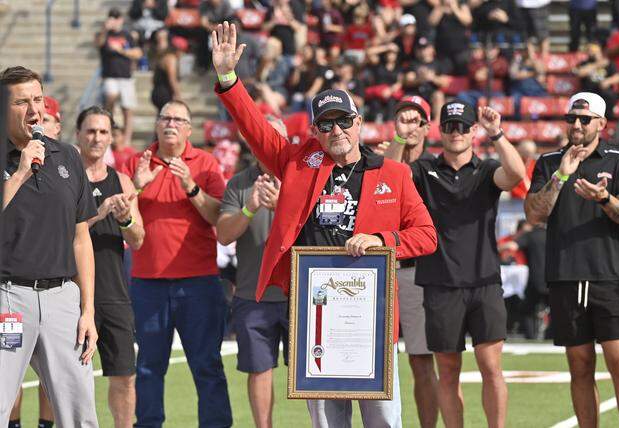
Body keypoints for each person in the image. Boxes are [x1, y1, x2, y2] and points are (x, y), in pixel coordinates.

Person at [212, 21, 438, 428]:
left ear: (359, 121)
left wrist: (380, 240)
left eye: (343, 121)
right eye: (326, 124)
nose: (337, 131)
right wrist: (229, 78)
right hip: (313, 310)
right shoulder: (298, 163)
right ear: (314, 131)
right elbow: (254, 127)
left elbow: (426, 236)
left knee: (383, 418)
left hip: (370, 312)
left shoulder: (394, 173)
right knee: (327, 421)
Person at [385, 99, 526, 428]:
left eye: (463, 126)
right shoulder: (423, 169)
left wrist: (498, 134)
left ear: (473, 131)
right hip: (439, 283)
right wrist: (401, 138)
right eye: (449, 126)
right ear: (440, 131)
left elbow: (517, 174)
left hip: (485, 281)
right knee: (447, 371)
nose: (456, 132)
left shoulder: (487, 169)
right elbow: (389, 181)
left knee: (491, 367)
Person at [525, 92, 619, 427]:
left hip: (608, 276)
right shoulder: (548, 162)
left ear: (601, 124)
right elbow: (533, 214)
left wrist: (605, 198)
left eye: (584, 119)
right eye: (571, 118)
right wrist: (561, 176)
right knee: (580, 366)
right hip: (565, 277)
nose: (576, 124)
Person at [0, 66, 99, 427]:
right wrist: (21, 171)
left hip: (62, 300)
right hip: (7, 300)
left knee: (80, 411)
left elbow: (81, 237)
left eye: (38, 99)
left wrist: (87, 310)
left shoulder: (68, 156)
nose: (34, 110)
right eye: (21, 101)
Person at [123, 100, 231, 427]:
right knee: (149, 367)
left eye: (178, 119)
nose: (171, 123)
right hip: (149, 282)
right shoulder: (136, 163)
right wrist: (139, 184)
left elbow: (218, 217)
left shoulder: (206, 163)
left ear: (189, 129)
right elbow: (121, 215)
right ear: (157, 125)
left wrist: (191, 186)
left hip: (198, 282)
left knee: (207, 365)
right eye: (165, 118)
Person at [217, 116, 288, 428]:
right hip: (253, 294)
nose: (270, 143)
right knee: (259, 370)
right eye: (264, 136)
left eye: (277, 138)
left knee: (312, 371)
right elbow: (223, 234)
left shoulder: (305, 177)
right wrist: (251, 207)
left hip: (301, 294)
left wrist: (281, 205)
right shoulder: (239, 183)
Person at [77, 106, 145, 428]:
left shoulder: (122, 180)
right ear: (78, 135)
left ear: (112, 137)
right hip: (73, 294)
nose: (97, 138)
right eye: (91, 131)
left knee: (124, 378)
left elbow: (138, 238)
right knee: (74, 382)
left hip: (115, 294)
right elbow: (56, 232)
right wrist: (100, 211)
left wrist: (125, 219)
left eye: (103, 132)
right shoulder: (65, 177)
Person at [382, 95, 440, 428]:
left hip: (417, 271)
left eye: (416, 119)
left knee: (421, 360)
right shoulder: (381, 160)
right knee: (380, 358)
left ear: (426, 127)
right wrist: (398, 142)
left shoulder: (434, 164)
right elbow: (387, 174)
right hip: (383, 269)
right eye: (403, 118)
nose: (410, 124)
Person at [7, 95, 62, 428]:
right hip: (11, 292)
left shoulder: (67, 165)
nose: (42, 125)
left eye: (48, 119)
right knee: (9, 370)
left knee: (52, 374)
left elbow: (77, 234)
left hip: (55, 290)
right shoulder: (14, 160)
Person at [95, 7, 143, 146]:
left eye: (116, 18)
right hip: (109, 75)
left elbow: (138, 53)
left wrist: (121, 50)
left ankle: (126, 141)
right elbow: (98, 43)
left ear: (121, 20)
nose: (114, 21)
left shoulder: (127, 35)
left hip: (126, 76)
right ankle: (109, 127)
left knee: (128, 109)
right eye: (111, 17)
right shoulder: (105, 34)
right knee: (111, 95)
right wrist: (105, 29)